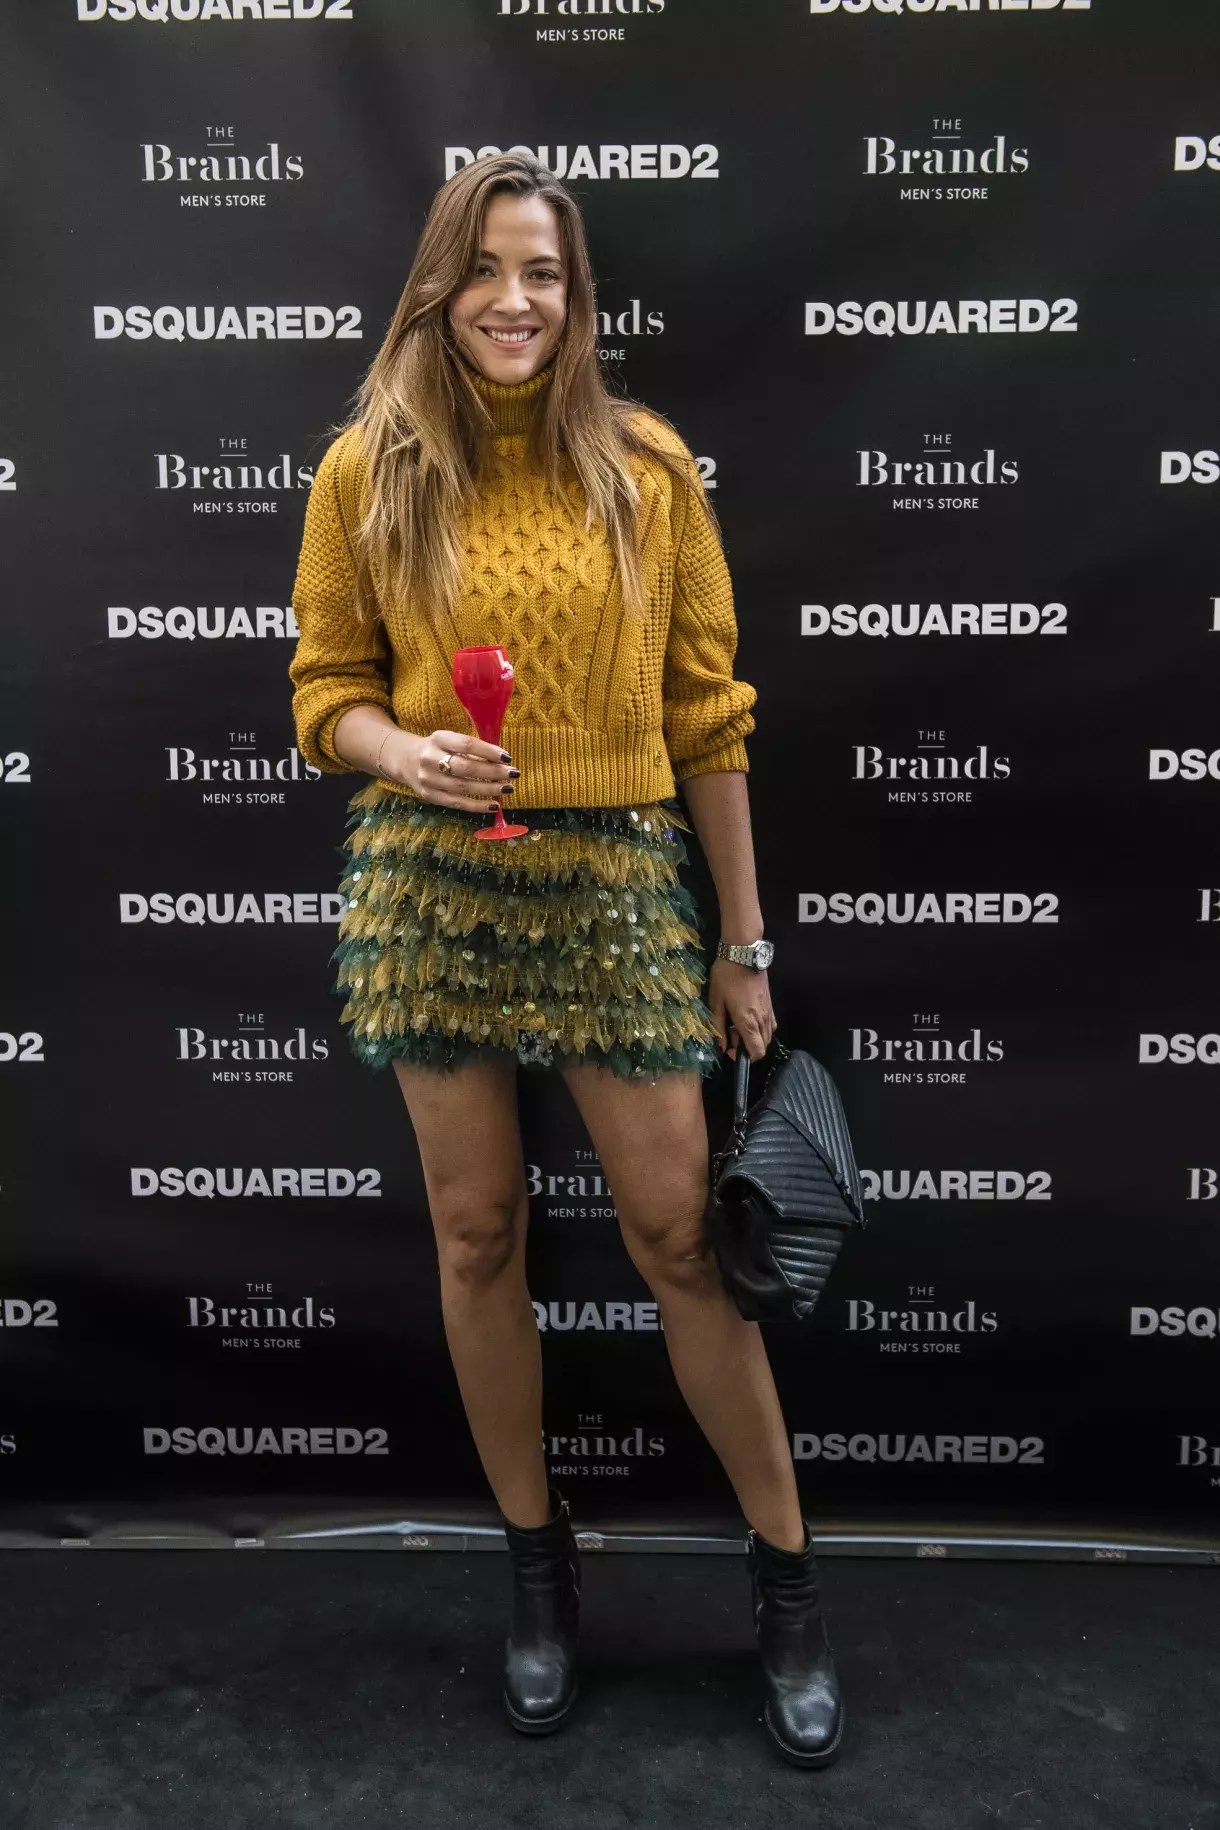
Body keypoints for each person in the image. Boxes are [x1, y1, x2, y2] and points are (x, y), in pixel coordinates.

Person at [287, 150, 843, 1768]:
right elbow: (324, 688)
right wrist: (402, 750)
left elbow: (708, 718)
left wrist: (741, 938)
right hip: (431, 878)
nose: (514, 299)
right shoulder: (367, 468)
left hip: (613, 879)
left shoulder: (646, 468)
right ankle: (538, 1570)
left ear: (575, 297)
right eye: (485, 268)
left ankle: (790, 1578)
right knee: (476, 1235)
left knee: (679, 1241)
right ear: (439, 285)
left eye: (542, 272)